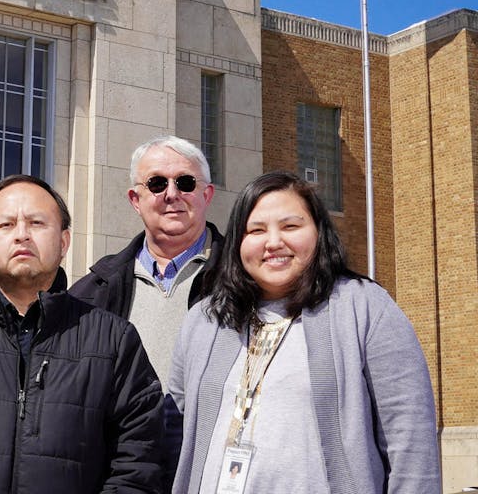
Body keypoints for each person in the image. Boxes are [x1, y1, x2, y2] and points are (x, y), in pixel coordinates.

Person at [169, 171, 440, 493]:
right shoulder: (205, 320)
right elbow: (176, 427)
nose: (273, 242)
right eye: (255, 230)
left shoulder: (364, 307)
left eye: (290, 227)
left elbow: (410, 439)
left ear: (319, 232)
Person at [0, 174, 163, 494]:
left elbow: (138, 462)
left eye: (37, 223)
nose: (22, 235)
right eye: (6, 225)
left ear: (64, 241)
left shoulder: (114, 341)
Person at [69, 135, 225, 388]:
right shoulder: (91, 292)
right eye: (156, 184)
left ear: (206, 195)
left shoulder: (244, 278)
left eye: (185, 183)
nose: (172, 194)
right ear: (135, 200)